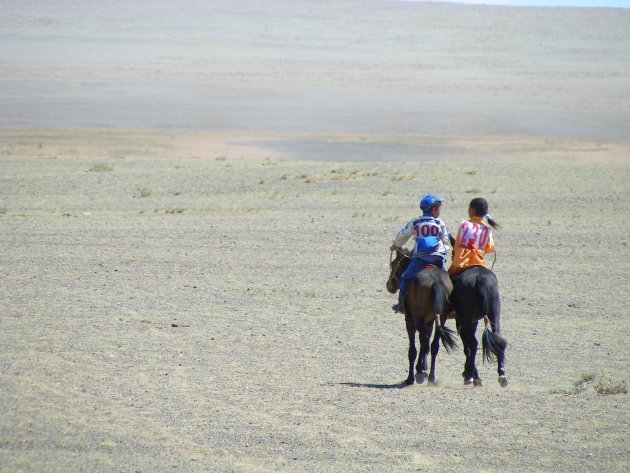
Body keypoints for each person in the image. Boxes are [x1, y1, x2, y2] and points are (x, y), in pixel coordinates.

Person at [391, 194, 451, 313]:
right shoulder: (440, 223)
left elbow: (403, 235)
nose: (439, 211)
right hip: (437, 258)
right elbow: (445, 239)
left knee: (405, 278)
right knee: (446, 278)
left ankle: (401, 303)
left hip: (420, 258)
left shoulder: (416, 222)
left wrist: (396, 245)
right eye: (439, 208)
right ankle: (451, 304)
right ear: (434, 210)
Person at [448, 197, 500, 278]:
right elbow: (490, 248)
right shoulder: (486, 228)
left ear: (471, 210)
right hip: (479, 261)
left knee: (450, 278)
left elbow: (457, 245)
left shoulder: (464, 225)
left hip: (462, 262)